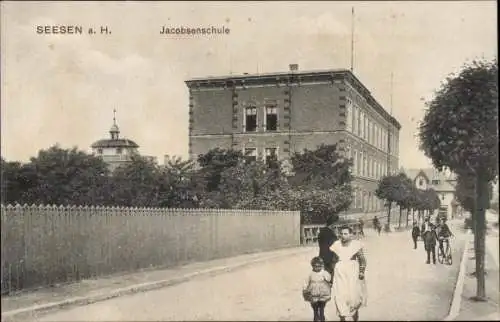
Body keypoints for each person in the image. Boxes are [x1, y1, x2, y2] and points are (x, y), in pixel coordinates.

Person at [330, 225, 367, 322]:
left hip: (352, 272)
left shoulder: (356, 245)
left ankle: (355, 318)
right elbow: (333, 261)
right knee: (340, 296)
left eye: (345, 234)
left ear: (351, 235)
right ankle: (342, 318)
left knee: (353, 297)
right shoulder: (336, 245)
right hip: (340, 273)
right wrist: (333, 272)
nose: (343, 236)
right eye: (341, 234)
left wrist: (361, 272)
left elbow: (362, 260)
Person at [303, 256, 332, 322]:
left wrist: (327, 276)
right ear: (312, 266)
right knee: (315, 307)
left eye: (319, 266)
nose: (317, 268)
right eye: (315, 266)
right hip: (313, 293)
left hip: (323, 293)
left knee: (322, 307)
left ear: (322, 266)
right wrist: (304, 288)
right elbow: (306, 281)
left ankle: (322, 316)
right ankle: (316, 315)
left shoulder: (323, 272)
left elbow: (329, 278)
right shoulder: (310, 273)